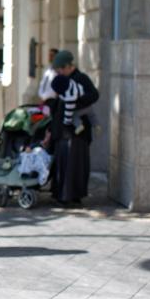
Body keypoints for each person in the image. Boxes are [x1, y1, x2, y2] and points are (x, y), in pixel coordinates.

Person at [43, 50, 98, 206]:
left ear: (68, 66)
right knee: (62, 162)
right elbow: (57, 101)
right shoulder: (62, 80)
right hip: (61, 129)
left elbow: (94, 95)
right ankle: (61, 193)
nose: (59, 72)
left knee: (74, 163)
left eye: (60, 69)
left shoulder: (81, 79)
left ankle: (71, 195)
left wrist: (75, 104)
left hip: (77, 131)